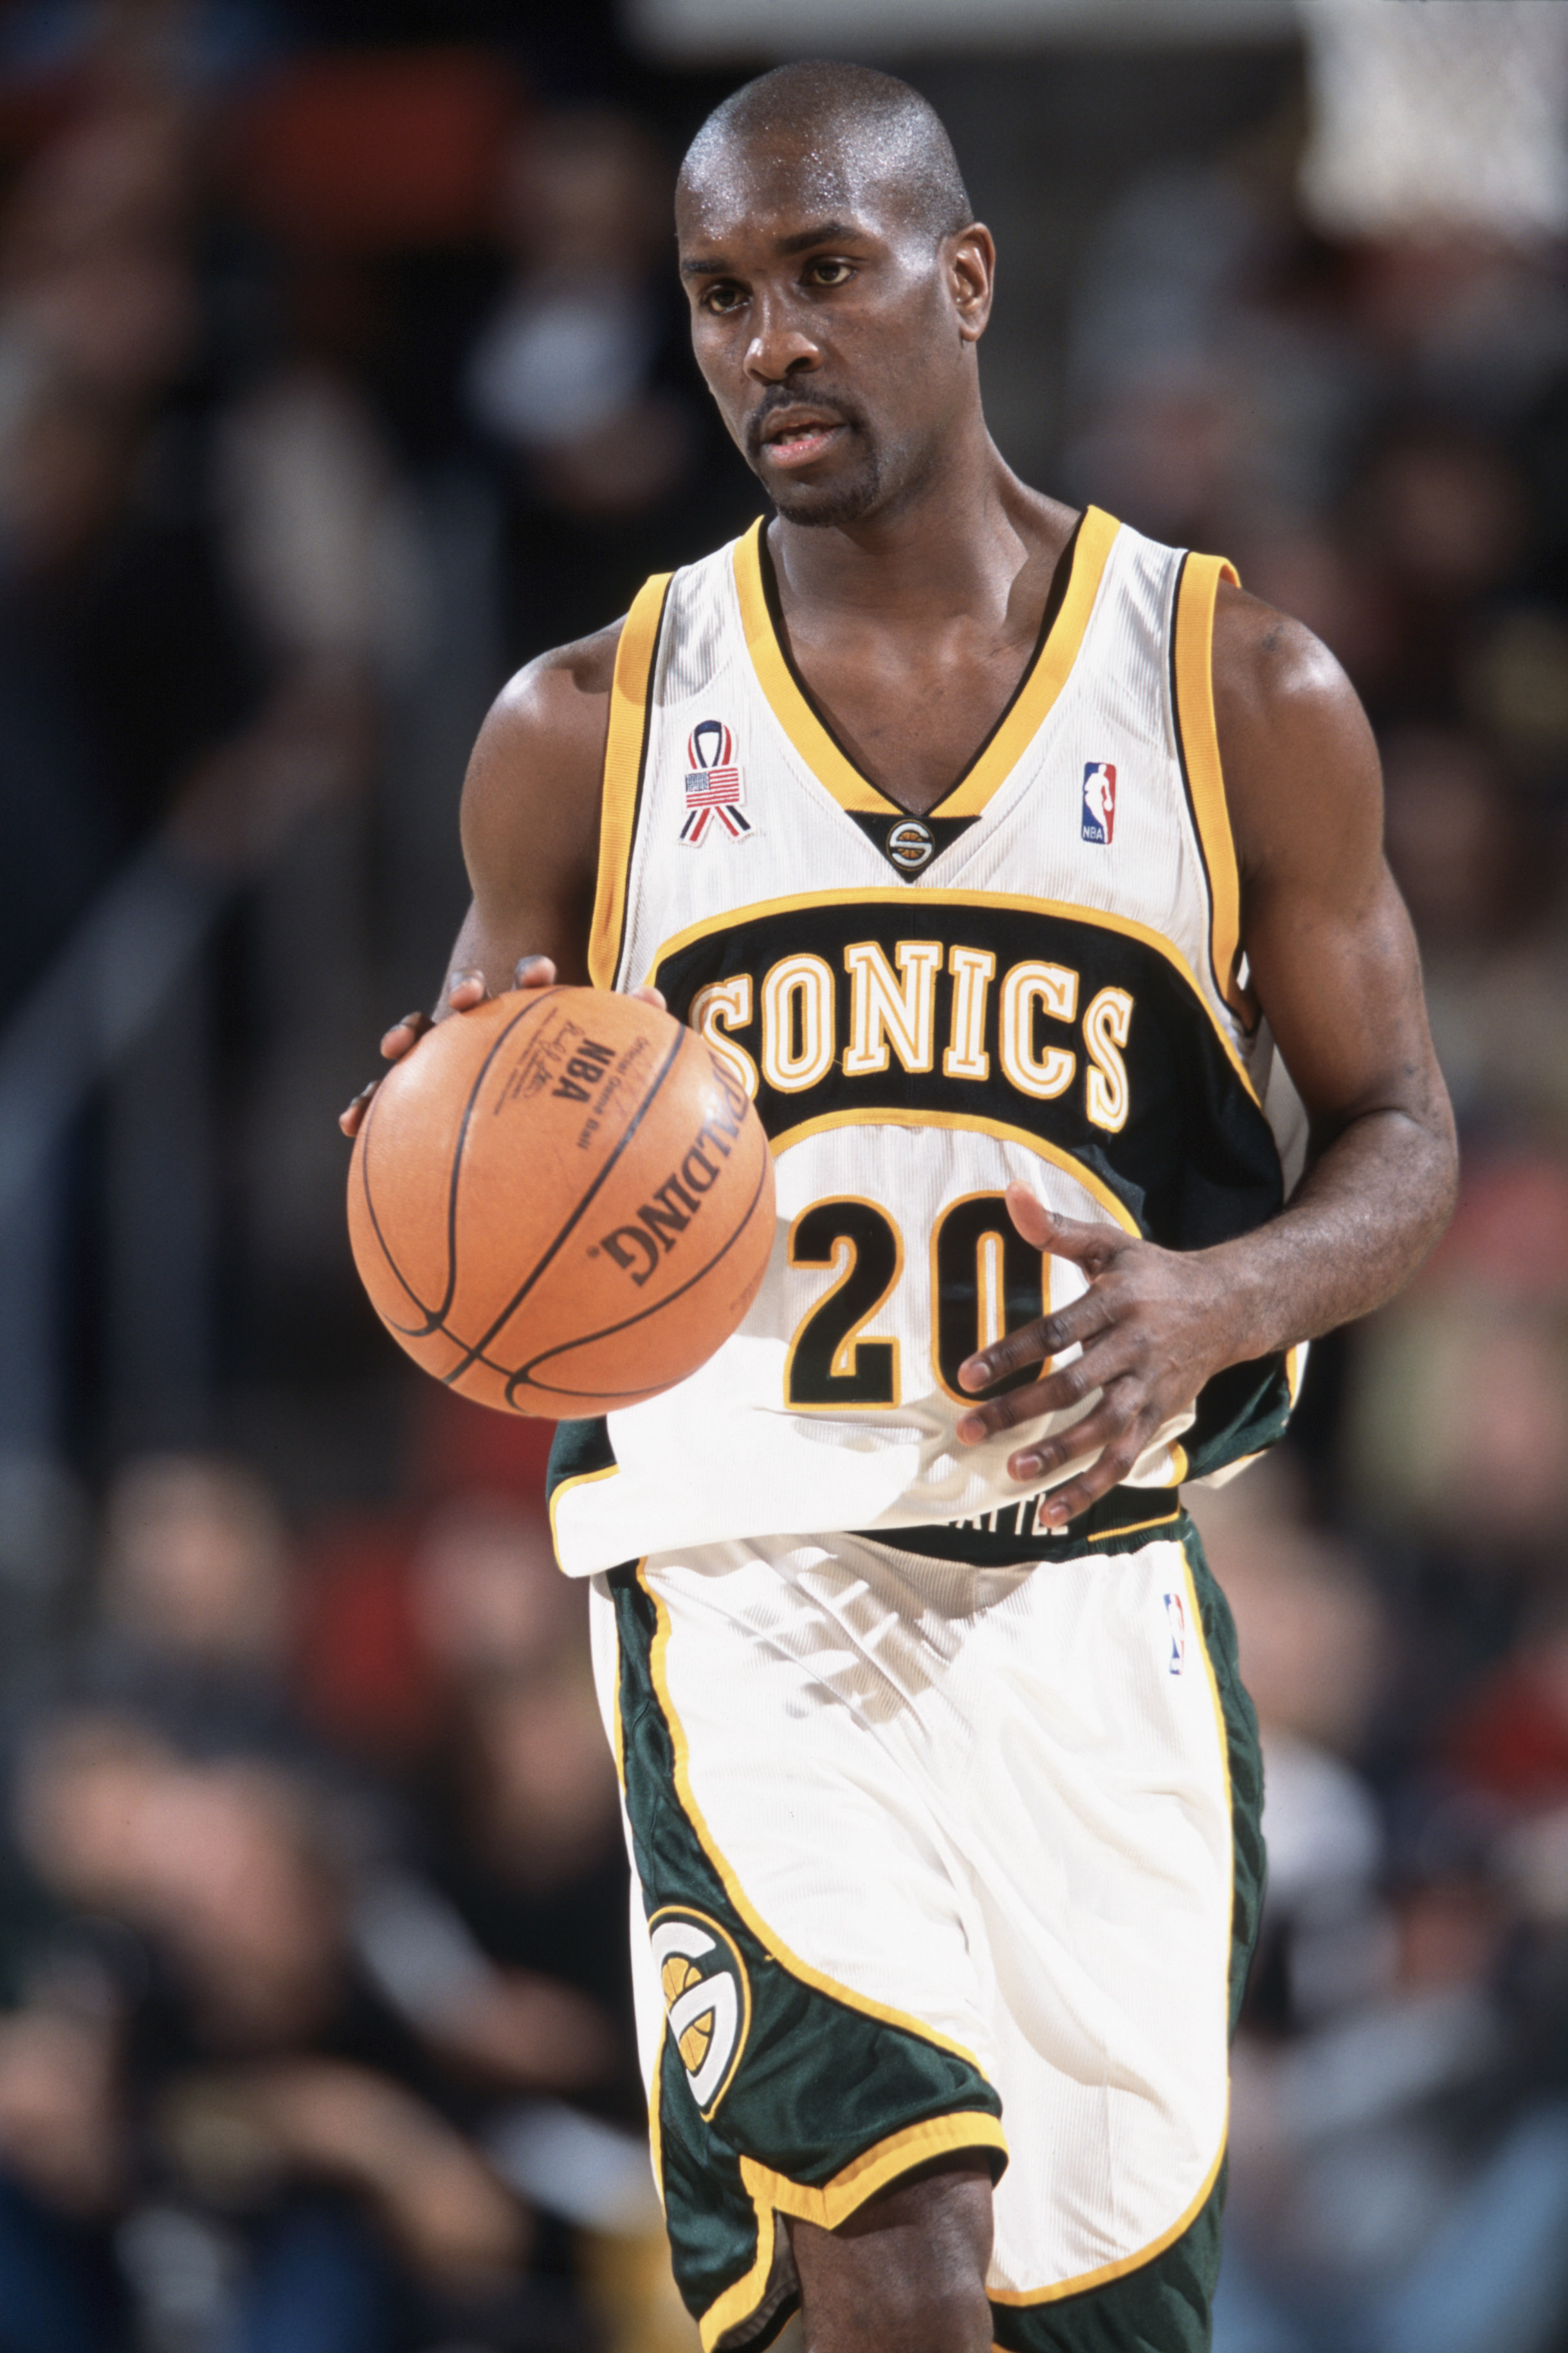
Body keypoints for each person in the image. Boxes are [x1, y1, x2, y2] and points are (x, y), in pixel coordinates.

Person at [340, 62, 1457, 2353]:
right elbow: (474, 1158)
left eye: (823, 276)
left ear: (962, 279)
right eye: (719, 296)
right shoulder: (588, 722)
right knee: (898, 2270)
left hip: (1096, 1613)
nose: (769, 344)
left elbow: (1407, 1140)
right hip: (756, 1591)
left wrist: (1215, 1297)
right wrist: (431, 1132)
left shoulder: (1238, 688)